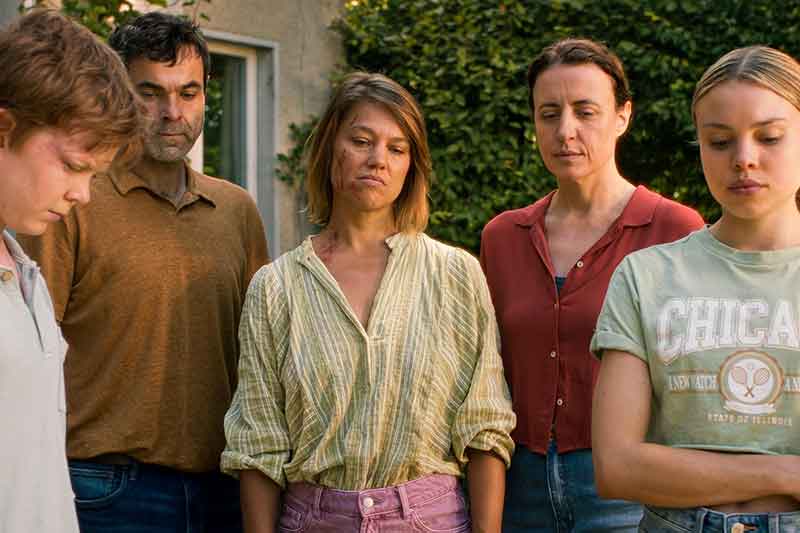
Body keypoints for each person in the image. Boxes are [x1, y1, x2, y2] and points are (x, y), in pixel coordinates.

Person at [221, 72, 516, 533]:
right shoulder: (276, 287)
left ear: (410, 166)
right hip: (313, 521)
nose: (378, 159)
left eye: (397, 149)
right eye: (361, 141)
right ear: (329, 149)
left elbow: (484, 428)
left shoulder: (455, 275)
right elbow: (258, 446)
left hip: (431, 519)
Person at [19, 11, 269, 533]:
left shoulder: (238, 212)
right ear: (118, 94)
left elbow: (261, 360)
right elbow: (29, 351)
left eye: (188, 93)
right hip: (104, 490)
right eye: (149, 93)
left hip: (222, 491)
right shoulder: (70, 202)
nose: (172, 113)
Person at [479, 38, 705, 532]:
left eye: (585, 112)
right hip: (518, 486)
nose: (565, 131)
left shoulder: (675, 230)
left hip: (627, 490)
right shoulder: (503, 237)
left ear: (623, 116)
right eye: (549, 114)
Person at [592, 45, 800, 532]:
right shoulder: (645, 276)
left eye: (769, 137)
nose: (744, 159)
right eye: (719, 141)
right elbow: (617, 466)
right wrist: (784, 472)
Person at [0, 9, 142, 533]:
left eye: (95, 175)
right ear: (3, 129)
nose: (82, 194)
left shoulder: (27, 274)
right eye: (73, 166)